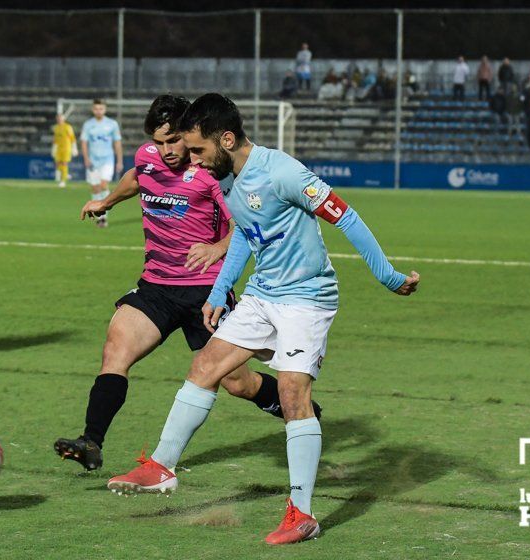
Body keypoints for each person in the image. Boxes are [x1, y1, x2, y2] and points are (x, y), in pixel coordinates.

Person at [107, 93, 419, 545]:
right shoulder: (227, 177)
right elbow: (245, 238)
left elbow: (345, 217)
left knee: (293, 393)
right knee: (205, 366)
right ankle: (161, 467)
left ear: (227, 139)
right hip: (261, 295)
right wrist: (217, 292)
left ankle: (302, 514)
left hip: (306, 299)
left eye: (197, 150)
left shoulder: (282, 172)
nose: (191, 161)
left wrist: (388, 276)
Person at [53, 95, 319, 470]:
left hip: (205, 293)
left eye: (174, 140)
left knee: (237, 384)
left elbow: (244, 223)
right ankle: (91, 442)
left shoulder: (212, 173)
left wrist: (218, 247)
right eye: (159, 142)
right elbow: (136, 178)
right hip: (156, 287)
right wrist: (107, 201)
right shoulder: (147, 157)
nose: (166, 151)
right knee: (116, 350)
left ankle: (305, 412)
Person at [81, 99, 123, 228]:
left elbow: (117, 143)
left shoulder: (112, 124)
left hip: (107, 159)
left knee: (104, 185)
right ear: (93, 110)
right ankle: (98, 213)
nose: (98, 111)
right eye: (96, 108)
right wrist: (86, 158)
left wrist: (119, 160)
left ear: (105, 109)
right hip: (93, 161)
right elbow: (84, 142)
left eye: (101, 108)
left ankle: (103, 217)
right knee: (95, 188)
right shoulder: (88, 125)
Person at [51, 113, 76, 188]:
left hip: (66, 148)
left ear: (64, 119)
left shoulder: (68, 127)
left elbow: (72, 138)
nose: (59, 119)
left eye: (61, 118)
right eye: (58, 118)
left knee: (64, 163)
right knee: (57, 164)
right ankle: (65, 174)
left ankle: (63, 181)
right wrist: (53, 148)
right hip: (59, 148)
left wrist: (74, 148)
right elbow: (55, 139)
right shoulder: (56, 127)